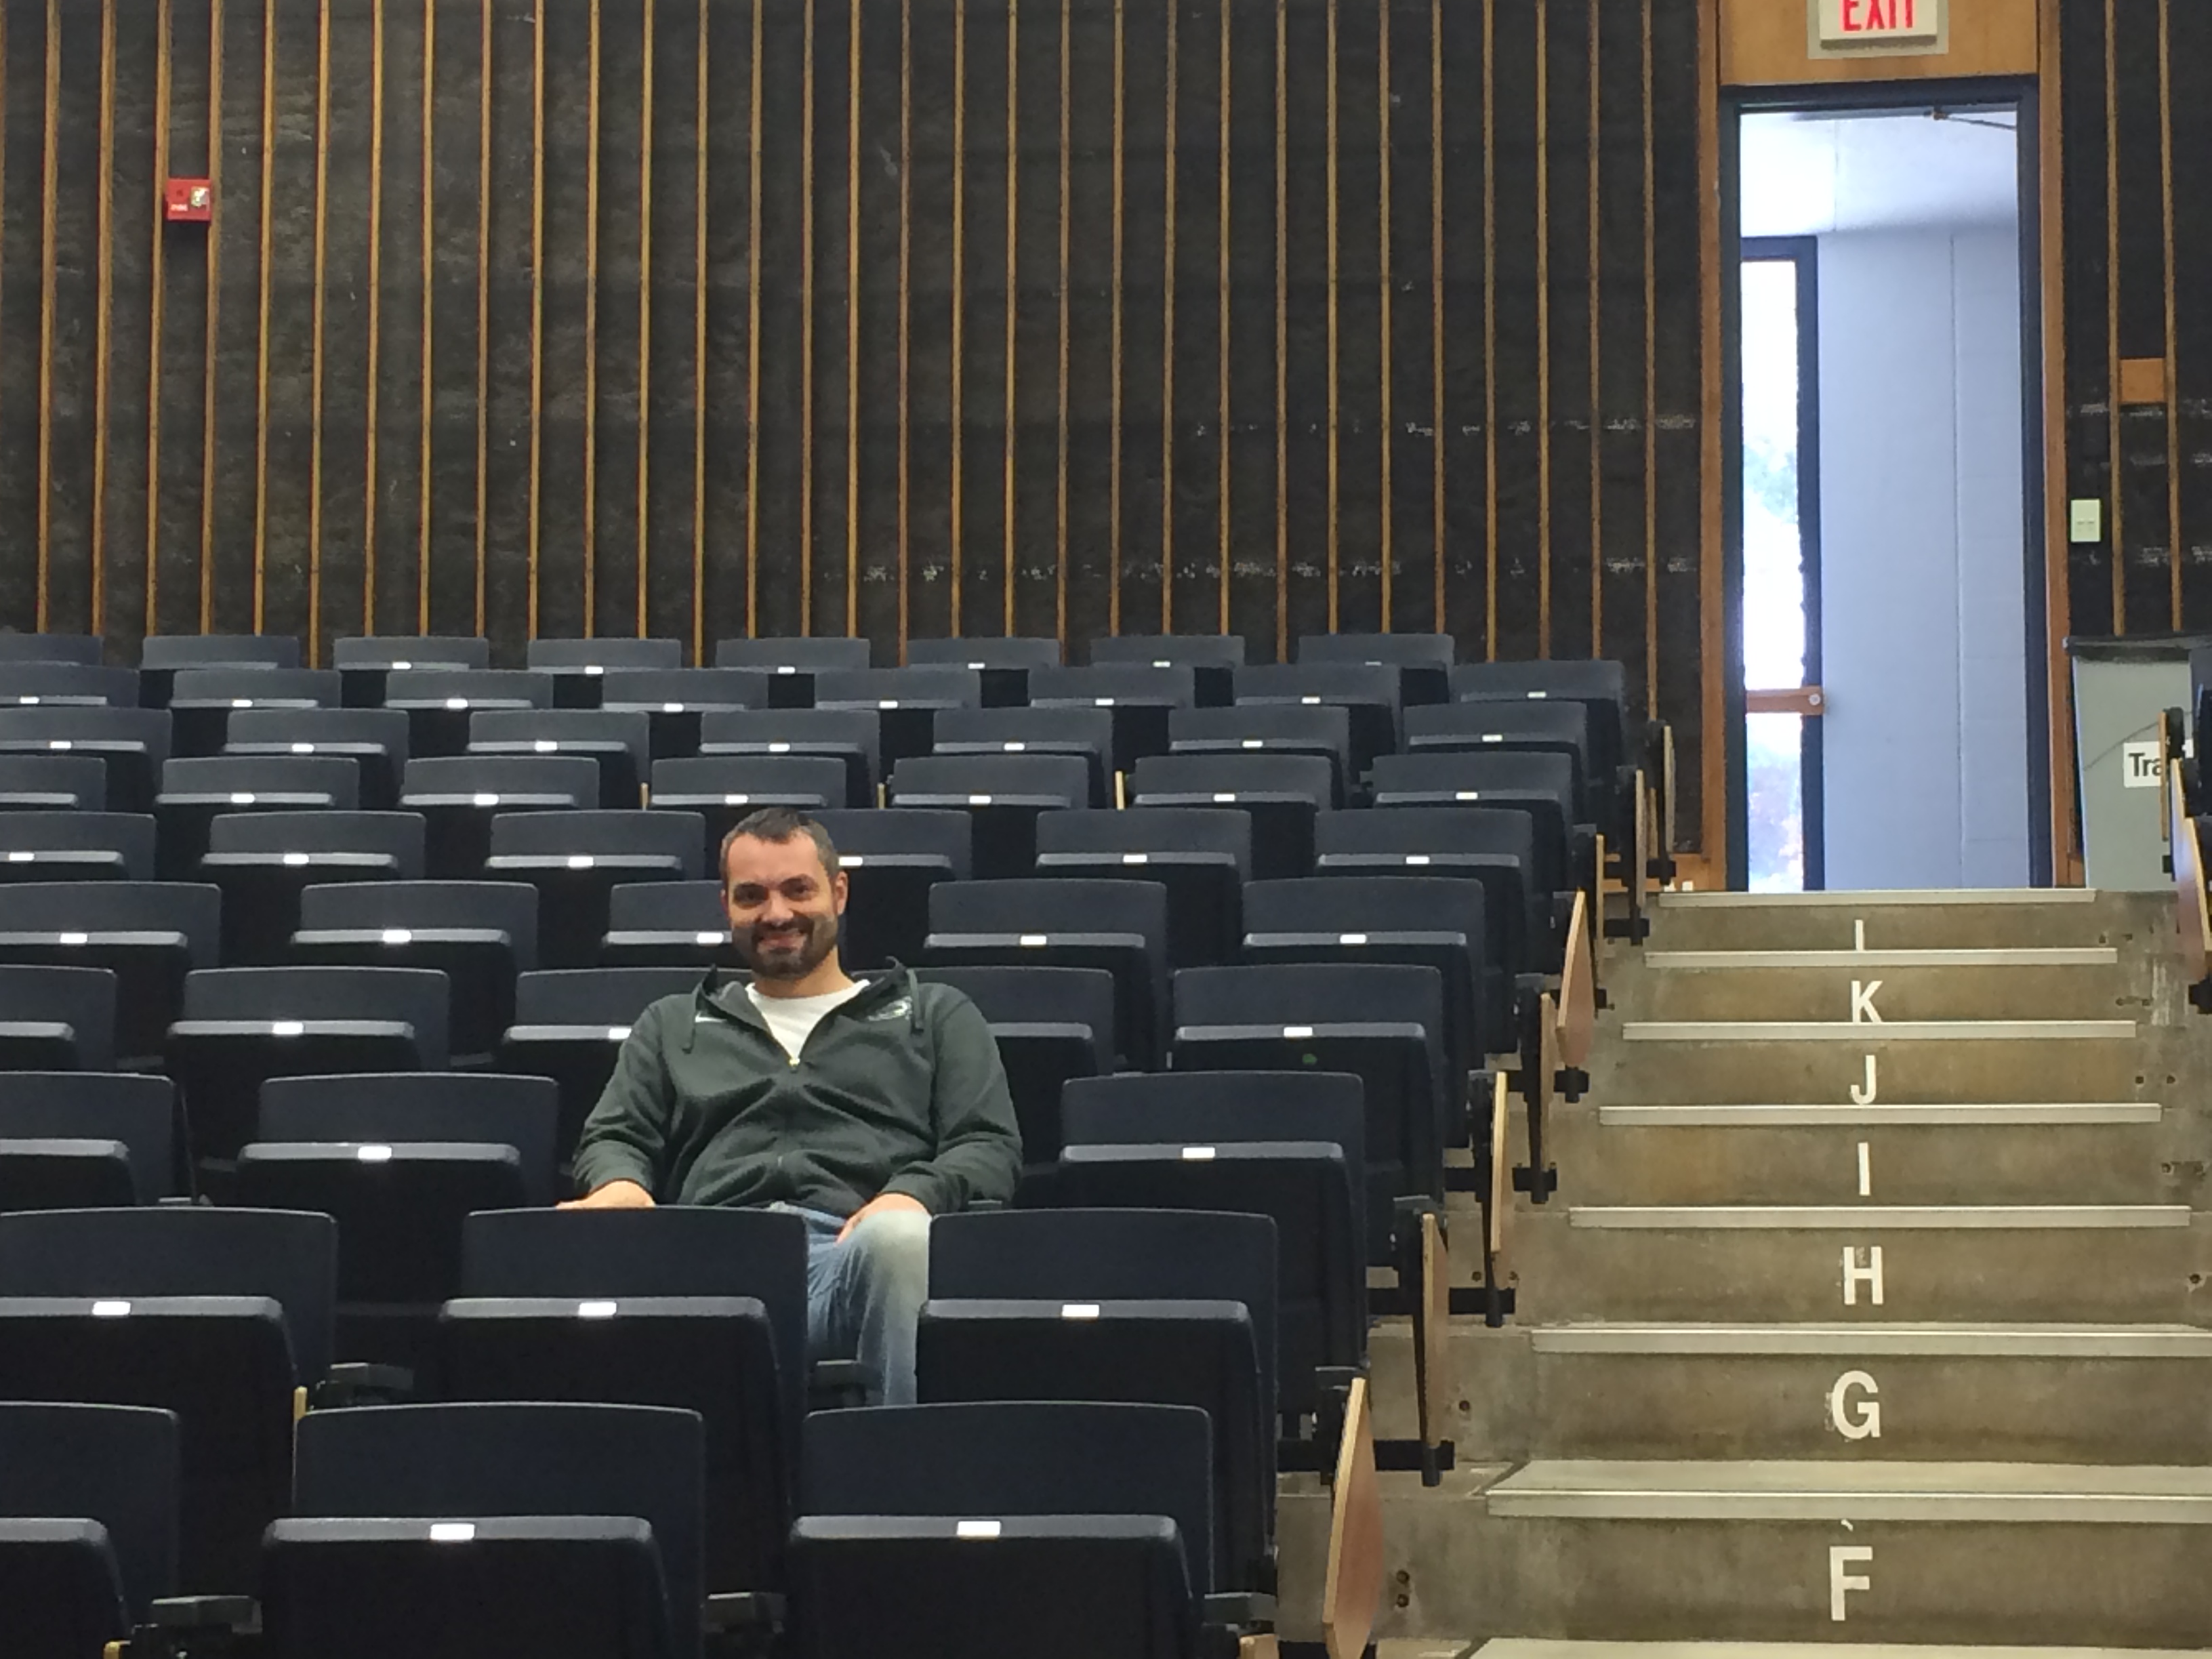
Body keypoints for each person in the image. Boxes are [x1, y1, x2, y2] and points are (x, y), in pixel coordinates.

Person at [563, 806, 1023, 1404]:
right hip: (710, 1258)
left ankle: (901, 1460)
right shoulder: (673, 1023)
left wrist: (911, 1195)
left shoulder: (934, 1013)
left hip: (858, 1258)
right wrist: (620, 1184)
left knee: (904, 1238)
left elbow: (987, 1145)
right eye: (751, 896)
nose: (776, 914)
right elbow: (615, 1135)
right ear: (726, 906)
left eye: (797, 890)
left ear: (838, 892)